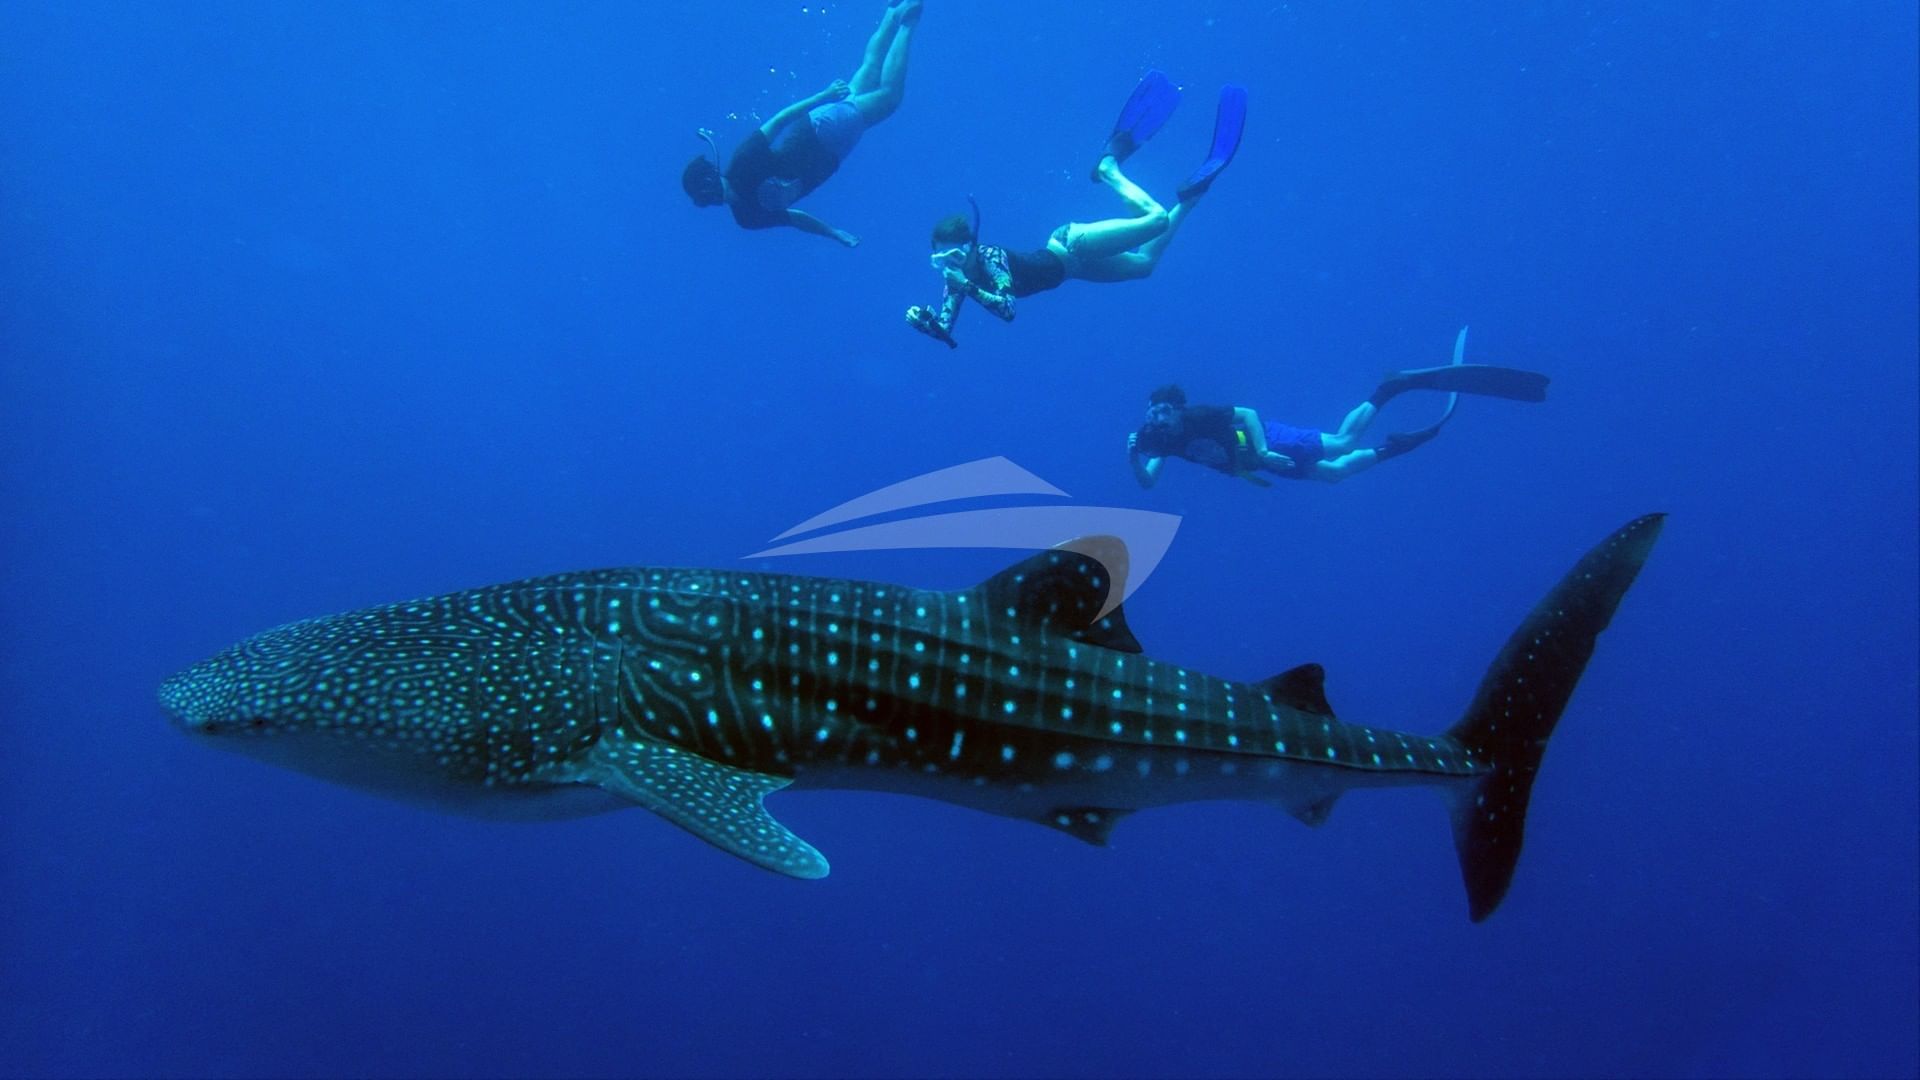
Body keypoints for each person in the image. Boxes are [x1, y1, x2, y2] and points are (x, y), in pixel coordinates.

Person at [907, 71, 1247, 347]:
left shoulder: (989, 258)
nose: (948, 264)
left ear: (972, 245)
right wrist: (927, 322)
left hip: (1071, 244)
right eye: (940, 259)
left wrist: (964, 285)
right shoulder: (957, 280)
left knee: (1155, 220)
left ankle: (1108, 169)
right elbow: (945, 325)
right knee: (1143, 266)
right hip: (1073, 270)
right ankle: (1191, 199)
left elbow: (1007, 309)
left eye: (953, 256)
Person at [1127, 330, 1551, 486]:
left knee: (1343, 441)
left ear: (1178, 411)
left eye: (1163, 411)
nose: (1156, 419)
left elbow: (1248, 413)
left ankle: (1392, 388)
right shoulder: (1154, 441)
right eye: (1152, 413)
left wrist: (1263, 448)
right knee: (1334, 475)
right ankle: (1393, 449)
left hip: (1267, 442)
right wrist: (1133, 455)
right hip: (1258, 464)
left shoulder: (1199, 415)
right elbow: (1148, 481)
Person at [682, 1, 923, 247]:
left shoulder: (743, 162)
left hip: (823, 133)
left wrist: (824, 95)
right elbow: (794, 219)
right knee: (869, 72)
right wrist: (835, 233)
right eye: (705, 198)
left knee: (889, 98)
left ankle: (908, 20)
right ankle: (892, 11)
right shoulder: (747, 217)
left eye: (707, 188)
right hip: (833, 149)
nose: (712, 196)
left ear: (712, 176)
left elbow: (779, 120)